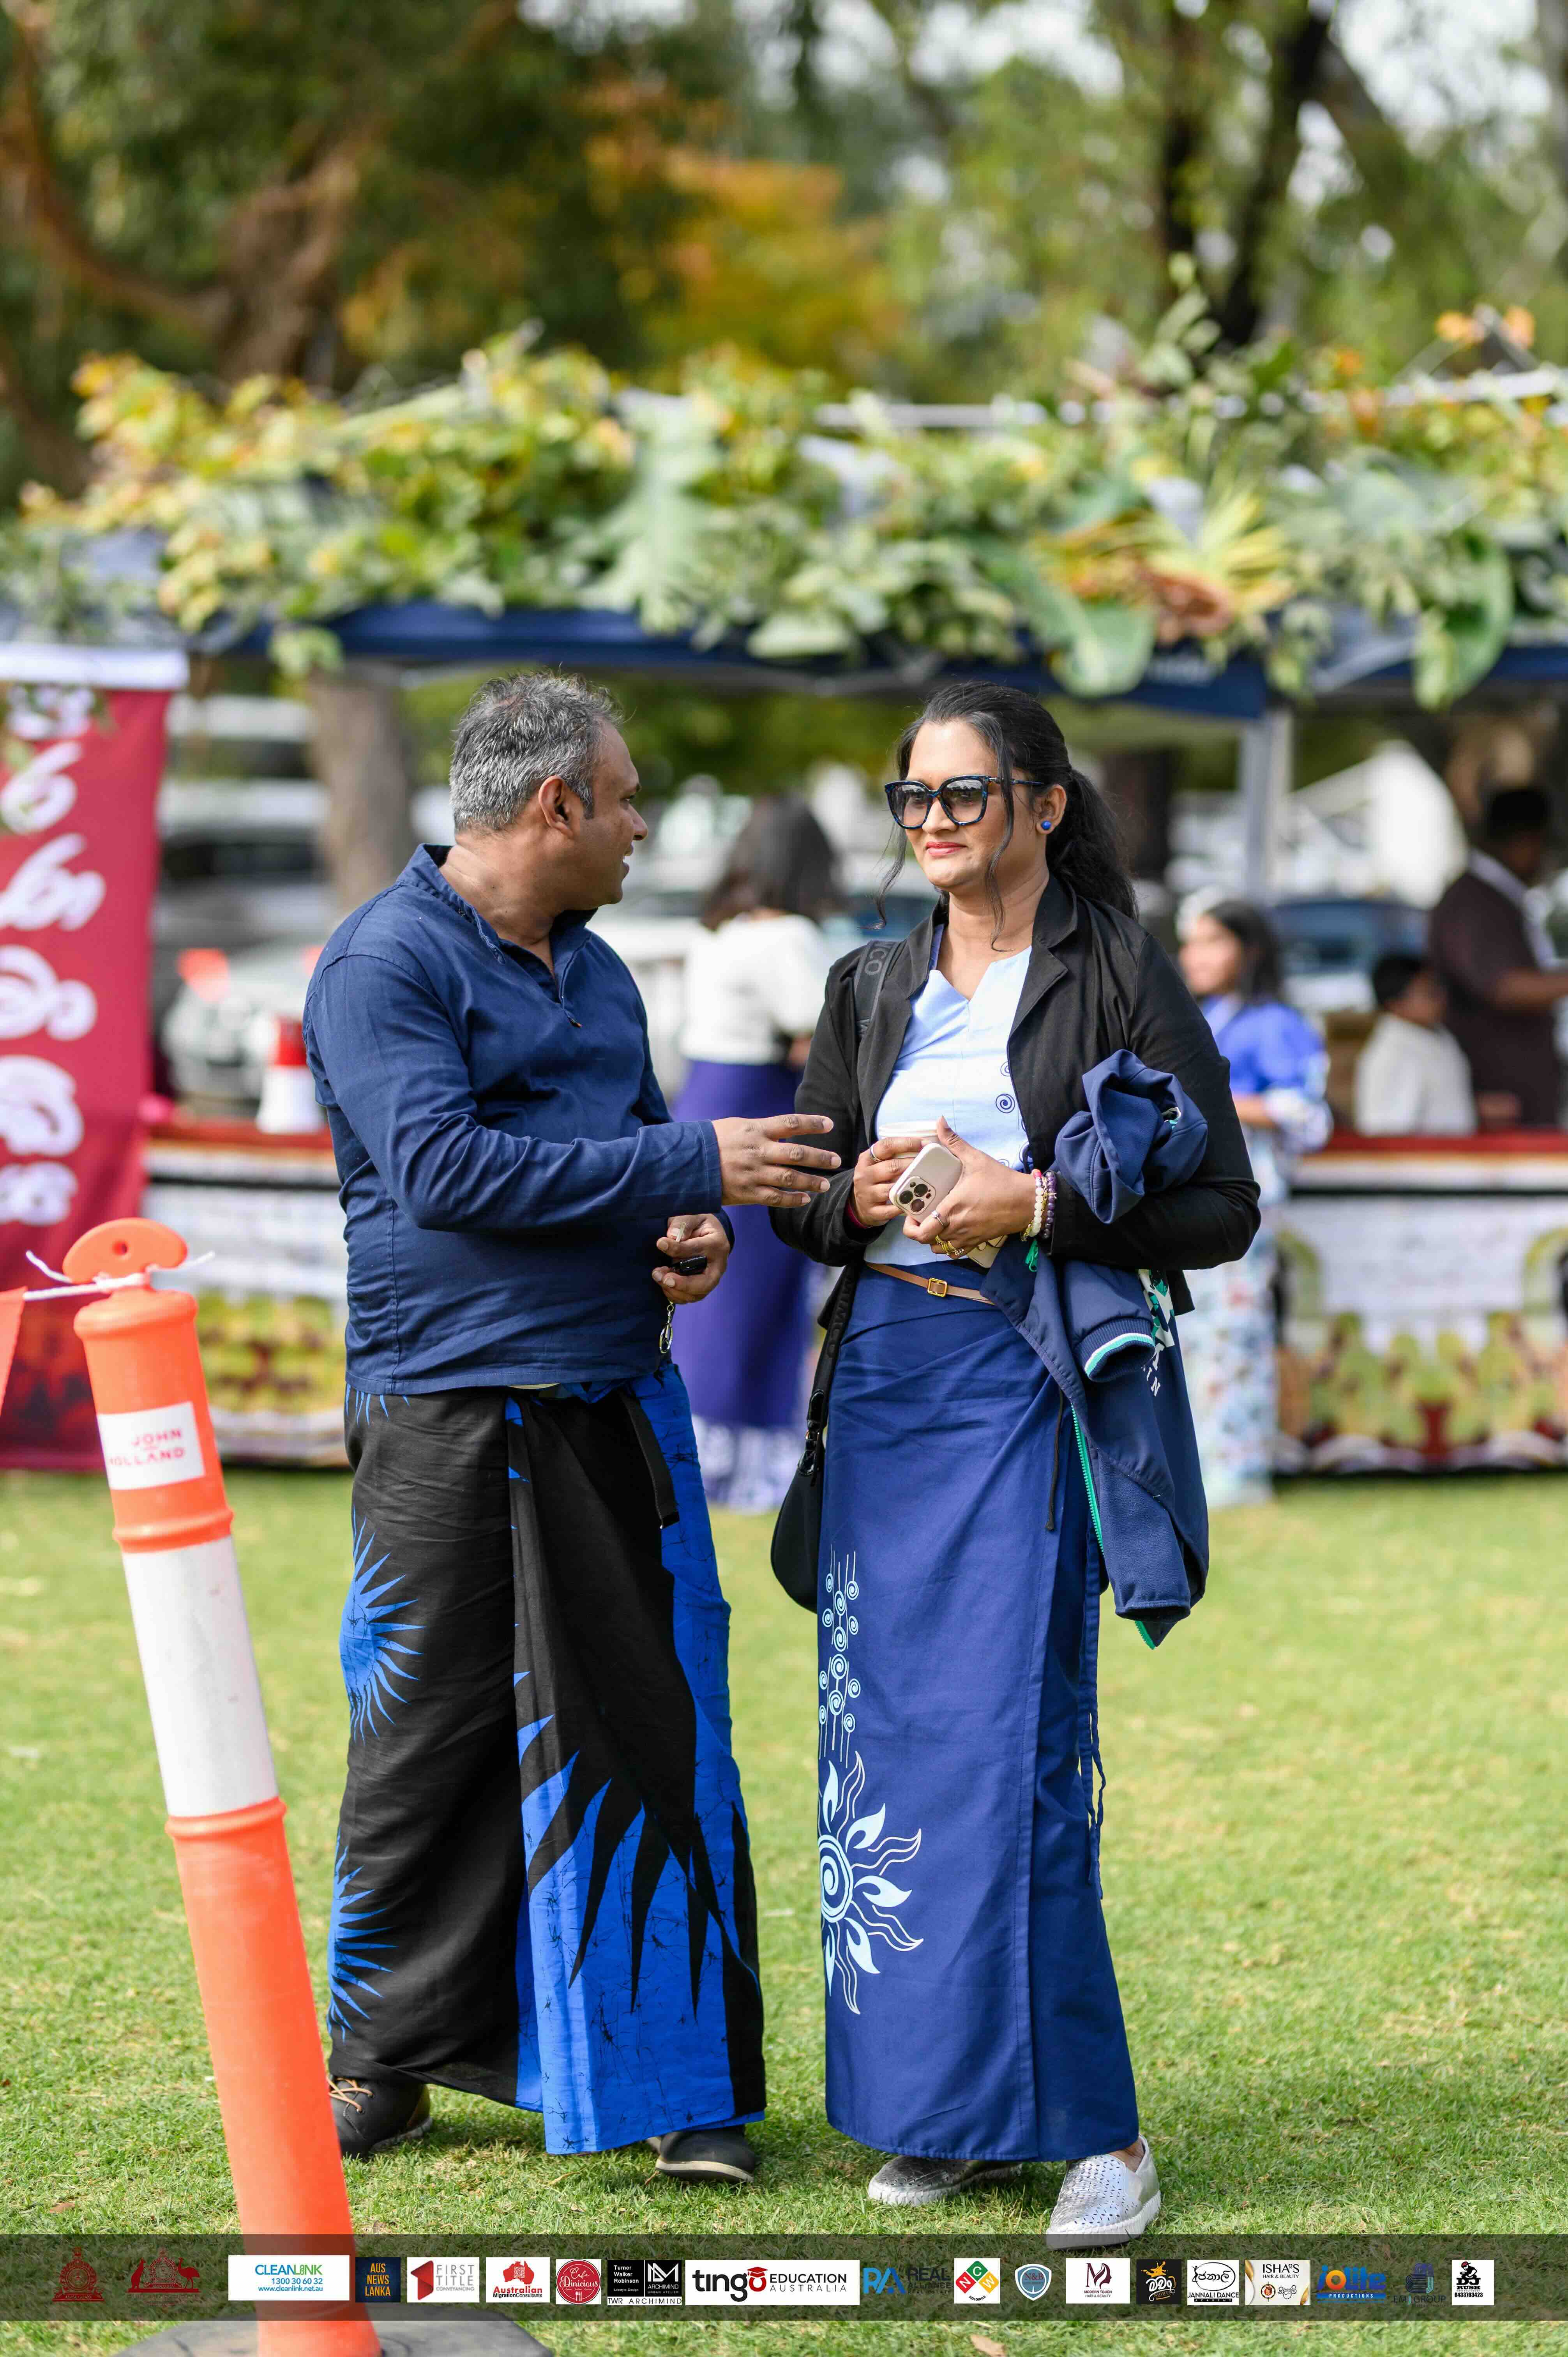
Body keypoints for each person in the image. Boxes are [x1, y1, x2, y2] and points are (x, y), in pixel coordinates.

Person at [302, 672, 842, 2180]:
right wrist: (692, 1158)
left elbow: (635, 1161)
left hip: (614, 1389)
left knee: (651, 1734)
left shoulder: (602, 971)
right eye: (619, 799)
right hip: (446, 1398)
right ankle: (380, 2055)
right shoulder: (380, 961)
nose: (638, 825)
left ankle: (686, 2088)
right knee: (422, 1739)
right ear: (553, 806)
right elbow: (440, 1169)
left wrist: (688, 1229)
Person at [773, 680, 1257, 2232]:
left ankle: (1101, 2137)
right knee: (888, 1762)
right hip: (888, 1400)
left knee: (1013, 1753)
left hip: (1026, 1382)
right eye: (912, 798)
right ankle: (946, 2113)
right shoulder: (867, 981)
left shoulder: (1117, 967)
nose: (932, 824)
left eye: (963, 796)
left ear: (1044, 803)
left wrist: (1033, 1203)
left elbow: (1220, 1207)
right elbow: (802, 1188)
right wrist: (853, 1198)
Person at [673, 799, 837, 1511]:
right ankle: (747, 1462)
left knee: (708, 1291)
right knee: (758, 1295)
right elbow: (819, 1034)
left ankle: (695, 1448)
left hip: (705, 1100)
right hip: (766, 1112)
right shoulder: (787, 937)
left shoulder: (715, 934)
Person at [1176, 899, 1330, 1507]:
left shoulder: (1276, 1023)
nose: (1197, 956)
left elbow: (1310, 1116)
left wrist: (1215, 1102)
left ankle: (1237, 1474)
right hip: (1186, 1196)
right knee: (1191, 1331)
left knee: (1235, 1332)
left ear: (1252, 949)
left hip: (1245, 1198)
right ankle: (1198, 1470)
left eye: (1214, 941)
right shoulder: (1202, 1017)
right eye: (1191, 942)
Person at [1428, 784, 1567, 1127]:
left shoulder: (1498, 898)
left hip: (1522, 1091)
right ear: (1523, 840)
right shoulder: (1473, 902)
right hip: (1497, 1096)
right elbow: (1503, 986)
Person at [1353, 953, 1476, 1136]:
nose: (1442, 999)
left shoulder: (1436, 1036)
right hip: (1425, 1162)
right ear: (1396, 1004)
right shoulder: (1392, 1054)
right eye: (1430, 994)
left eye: (1439, 989)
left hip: (1453, 1158)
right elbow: (1385, 1133)